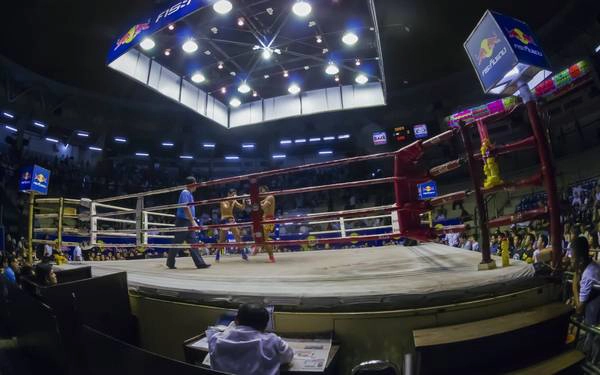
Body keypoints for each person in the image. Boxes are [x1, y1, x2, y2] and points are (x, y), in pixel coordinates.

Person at [206, 303, 294, 375]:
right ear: (265, 326)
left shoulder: (215, 339)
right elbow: (288, 357)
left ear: (236, 320)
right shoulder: (272, 341)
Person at [167, 176, 210, 270]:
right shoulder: (185, 192)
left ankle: (200, 263)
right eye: (195, 183)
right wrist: (192, 220)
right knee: (177, 242)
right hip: (183, 221)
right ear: (192, 184)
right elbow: (185, 207)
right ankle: (170, 263)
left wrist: (192, 220)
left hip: (188, 221)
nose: (196, 186)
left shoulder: (189, 194)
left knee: (193, 243)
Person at [573, 237, 600, 325]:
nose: (571, 260)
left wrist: (574, 286)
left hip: (593, 324)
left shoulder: (588, 275)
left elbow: (579, 309)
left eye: (573, 258)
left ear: (580, 260)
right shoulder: (594, 265)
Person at [217, 188, 246, 262]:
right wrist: (232, 201)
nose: (234, 196)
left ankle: (243, 254)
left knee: (238, 236)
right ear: (228, 194)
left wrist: (243, 200)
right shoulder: (223, 201)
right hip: (224, 220)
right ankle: (217, 254)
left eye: (234, 195)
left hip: (231, 219)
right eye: (232, 195)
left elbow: (242, 208)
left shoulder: (234, 200)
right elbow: (226, 209)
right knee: (222, 240)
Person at [258, 185, 276, 263]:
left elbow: (263, 207)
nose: (261, 193)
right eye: (260, 191)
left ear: (266, 190)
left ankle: (272, 258)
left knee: (265, 240)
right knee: (262, 238)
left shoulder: (270, 197)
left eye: (262, 191)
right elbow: (259, 203)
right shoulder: (266, 198)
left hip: (269, 219)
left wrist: (256, 204)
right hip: (265, 219)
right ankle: (260, 245)